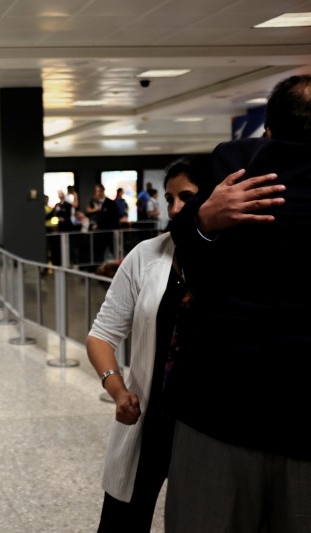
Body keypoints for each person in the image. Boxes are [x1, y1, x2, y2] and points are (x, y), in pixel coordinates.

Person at [164, 74, 311, 532]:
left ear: (267, 128)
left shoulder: (236, 168)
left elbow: (186, 249)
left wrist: (204, 220)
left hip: (222, 400)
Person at [86, 157, 205, 532]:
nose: (174, 209)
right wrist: (117, 388)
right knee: (123, 521)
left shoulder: (233, 258)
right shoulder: (147, 255)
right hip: (149, 420)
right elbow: (102, 335)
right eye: (169, 198)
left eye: (186, 197)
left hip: (207, 429)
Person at [85, 184, 119, 263]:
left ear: (103, 191)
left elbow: (114, 218)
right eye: (96, 191)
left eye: (99, 191)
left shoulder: (110, 203)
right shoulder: (94, 203)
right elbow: (88, 213)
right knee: (98, 254)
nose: (98, 193)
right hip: (99, 234)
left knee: (114, 251)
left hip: (109, 232)